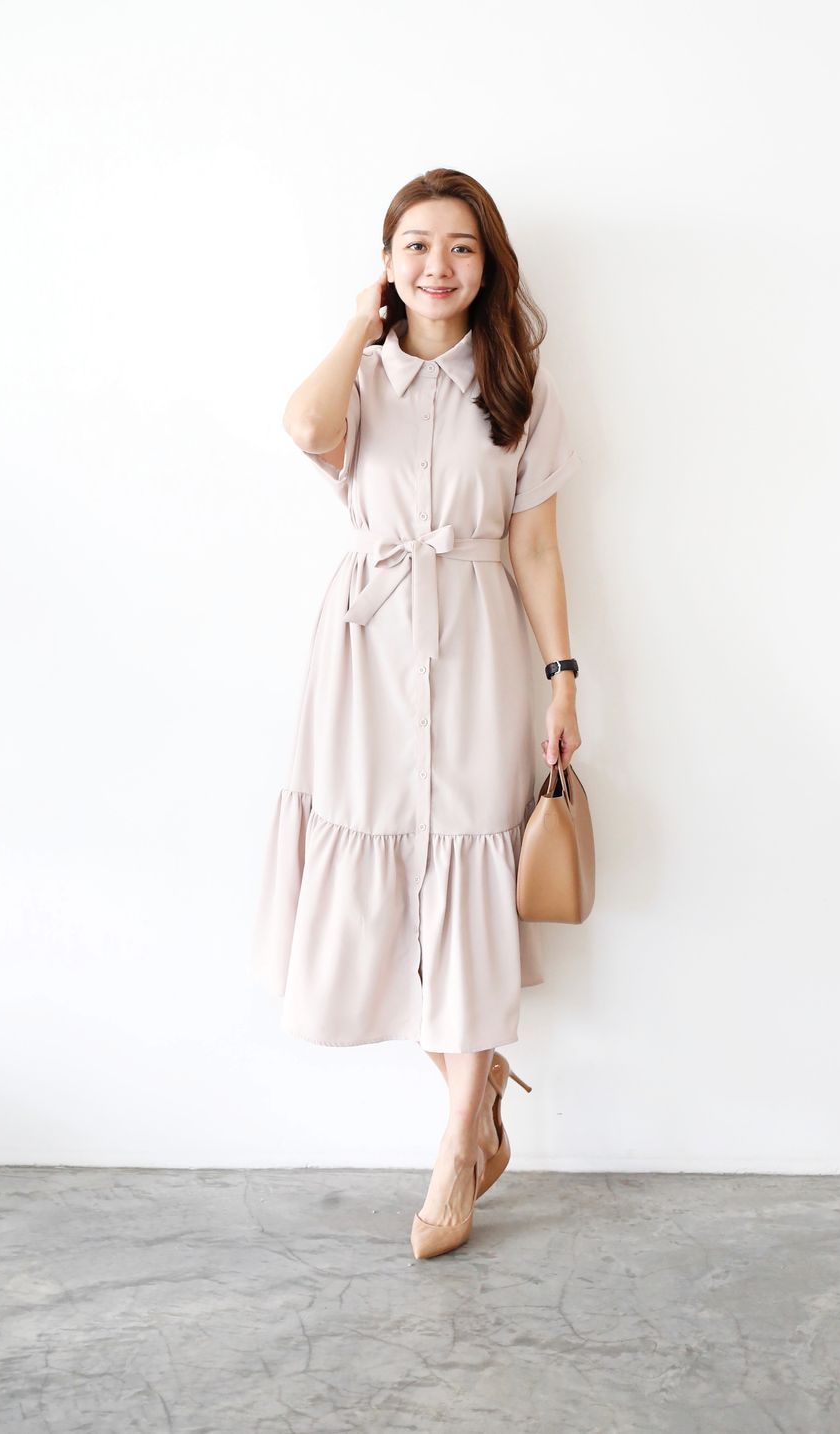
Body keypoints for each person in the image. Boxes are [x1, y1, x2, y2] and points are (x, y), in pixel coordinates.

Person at [251, 168, 583, 1259]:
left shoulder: (518, 388)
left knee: (469, 866)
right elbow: (303, 426)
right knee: (388, 879)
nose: (439, 265)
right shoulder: (359, 376)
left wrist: (562, 677)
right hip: (368, 646)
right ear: (389, 262)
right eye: (417, 246)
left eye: (461, 247)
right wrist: (362, 324)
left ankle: (454, 1144)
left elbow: (537, 547)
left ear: (488, 267)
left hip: (480, 637)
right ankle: (479, 1107)